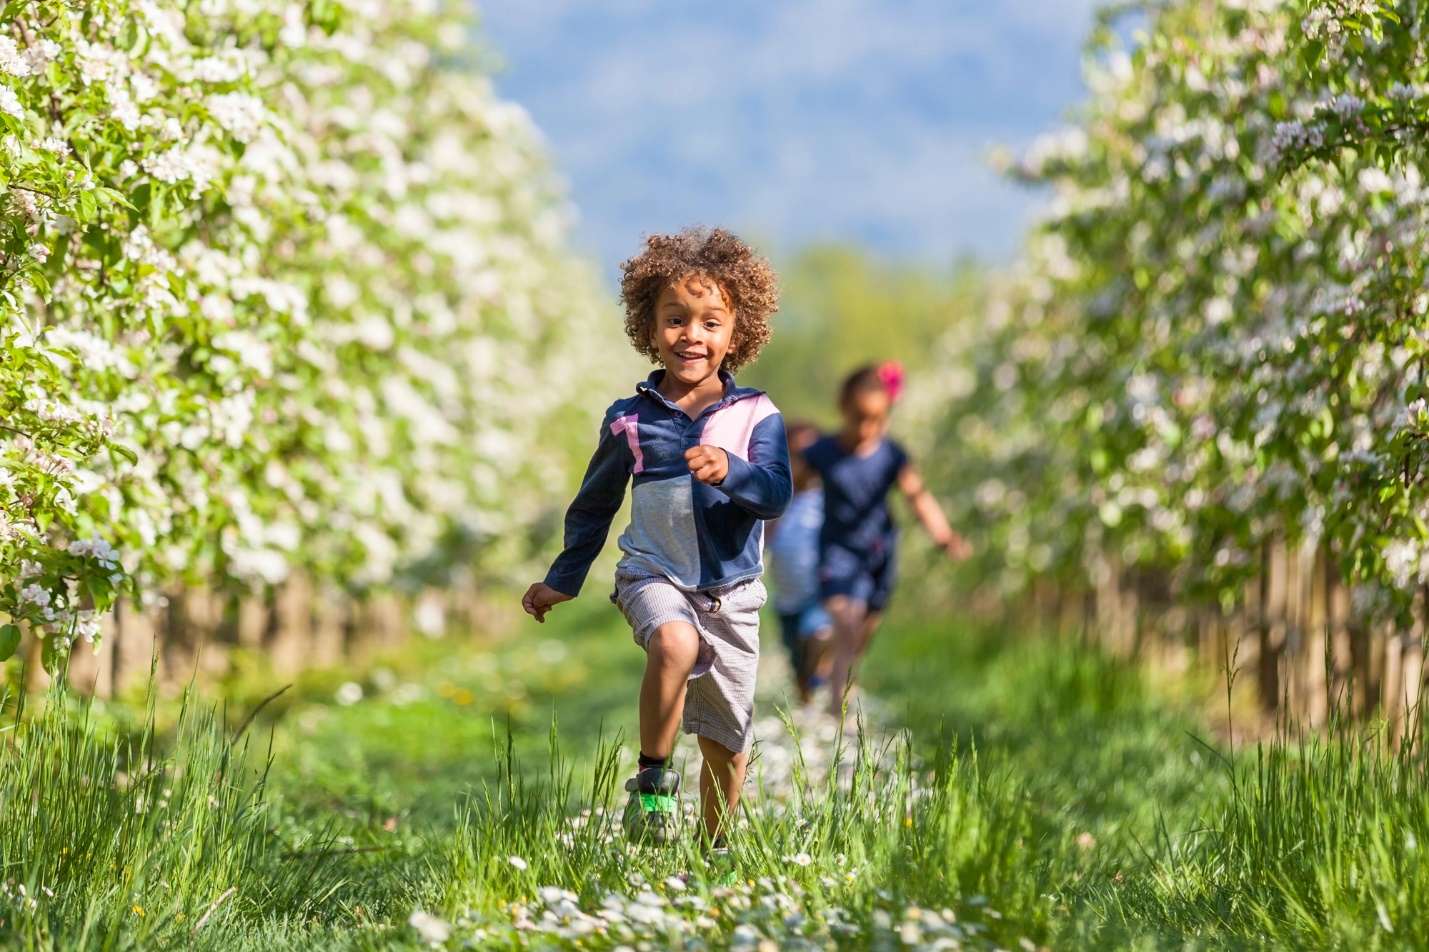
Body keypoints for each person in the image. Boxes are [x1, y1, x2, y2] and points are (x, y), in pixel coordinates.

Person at [520, 227, 790, 857]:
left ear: (735, 332)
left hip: (732, 592)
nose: (691, 335)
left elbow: (777, 494)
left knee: (727, 737)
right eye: (675, 319)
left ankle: (715, 850)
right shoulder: (631, 419)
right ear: (650, 326)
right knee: (674, 640)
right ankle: (652, 783)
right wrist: (563, 578)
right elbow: (594, 504)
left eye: (709, 322)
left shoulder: (756, 415)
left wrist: (733, 470)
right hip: (654, 575)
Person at [803, 362, 971, 719]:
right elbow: (785, 488)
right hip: (836, 551)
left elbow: (918, 496)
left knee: (861, 633)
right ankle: (839, 716)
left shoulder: (892, 455)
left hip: (878, 554)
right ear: (843, 409)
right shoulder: (822, 452)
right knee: (847, 623)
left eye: (874, 420)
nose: (865, 428)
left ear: (885, 415)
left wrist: (943, 535)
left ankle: (822, 651)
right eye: (858, 418)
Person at [764, 420, 833, 704]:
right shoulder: (778, 500)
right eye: (796, 455)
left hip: (820, 593)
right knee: (798, 667)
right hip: (787, 598)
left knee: (819, 634)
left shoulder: (826, 498)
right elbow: (764, 541)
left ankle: (823, 674)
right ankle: (808, 704)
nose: (804, 462)